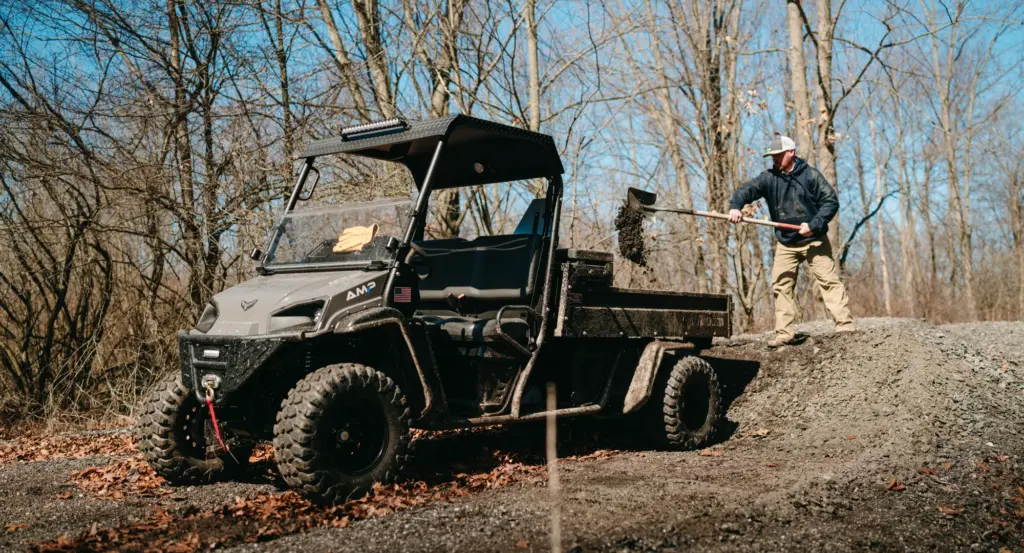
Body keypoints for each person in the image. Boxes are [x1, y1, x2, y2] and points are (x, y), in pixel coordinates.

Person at [728, 134, 855, 347]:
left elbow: (830, 202)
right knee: (781, 284)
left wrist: (813, 225)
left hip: (814, 240)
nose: (774, 159)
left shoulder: (811, 176)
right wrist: (735, 206)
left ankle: (845, 326)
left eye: (778, 155)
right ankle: (784, 333)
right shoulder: (769, 178)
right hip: (786, 242)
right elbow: (747, 190)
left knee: (828, 281)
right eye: (772, 156)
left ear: (791, 153)